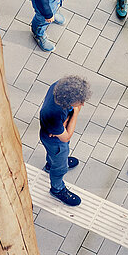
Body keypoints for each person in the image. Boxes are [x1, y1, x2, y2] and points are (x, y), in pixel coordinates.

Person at [39, 75, 92, 207]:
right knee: (60, 167)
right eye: (79, 102)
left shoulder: (58, 86)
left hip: (53, 135)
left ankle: (50, 165)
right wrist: (75, 113)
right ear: (67, 101)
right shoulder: (54, 114)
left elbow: (63, 128)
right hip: (55, 142)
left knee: (54, 156)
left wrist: (65, 123)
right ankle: (57, 189)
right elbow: (66, 136)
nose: (82, 104)